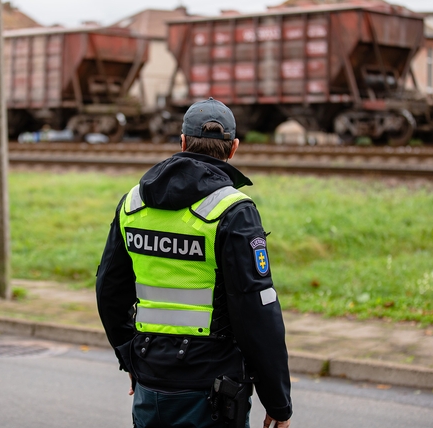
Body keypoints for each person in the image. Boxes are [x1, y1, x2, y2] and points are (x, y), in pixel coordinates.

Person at [96, 97, 292, 428]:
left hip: (150, 385)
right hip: (212, 392)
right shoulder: (233, 210)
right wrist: (277, 399)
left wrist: (131, 357)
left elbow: (109, 290)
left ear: (183, 142)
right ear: (233, 148)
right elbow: (256, 311)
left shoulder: (132, 204)